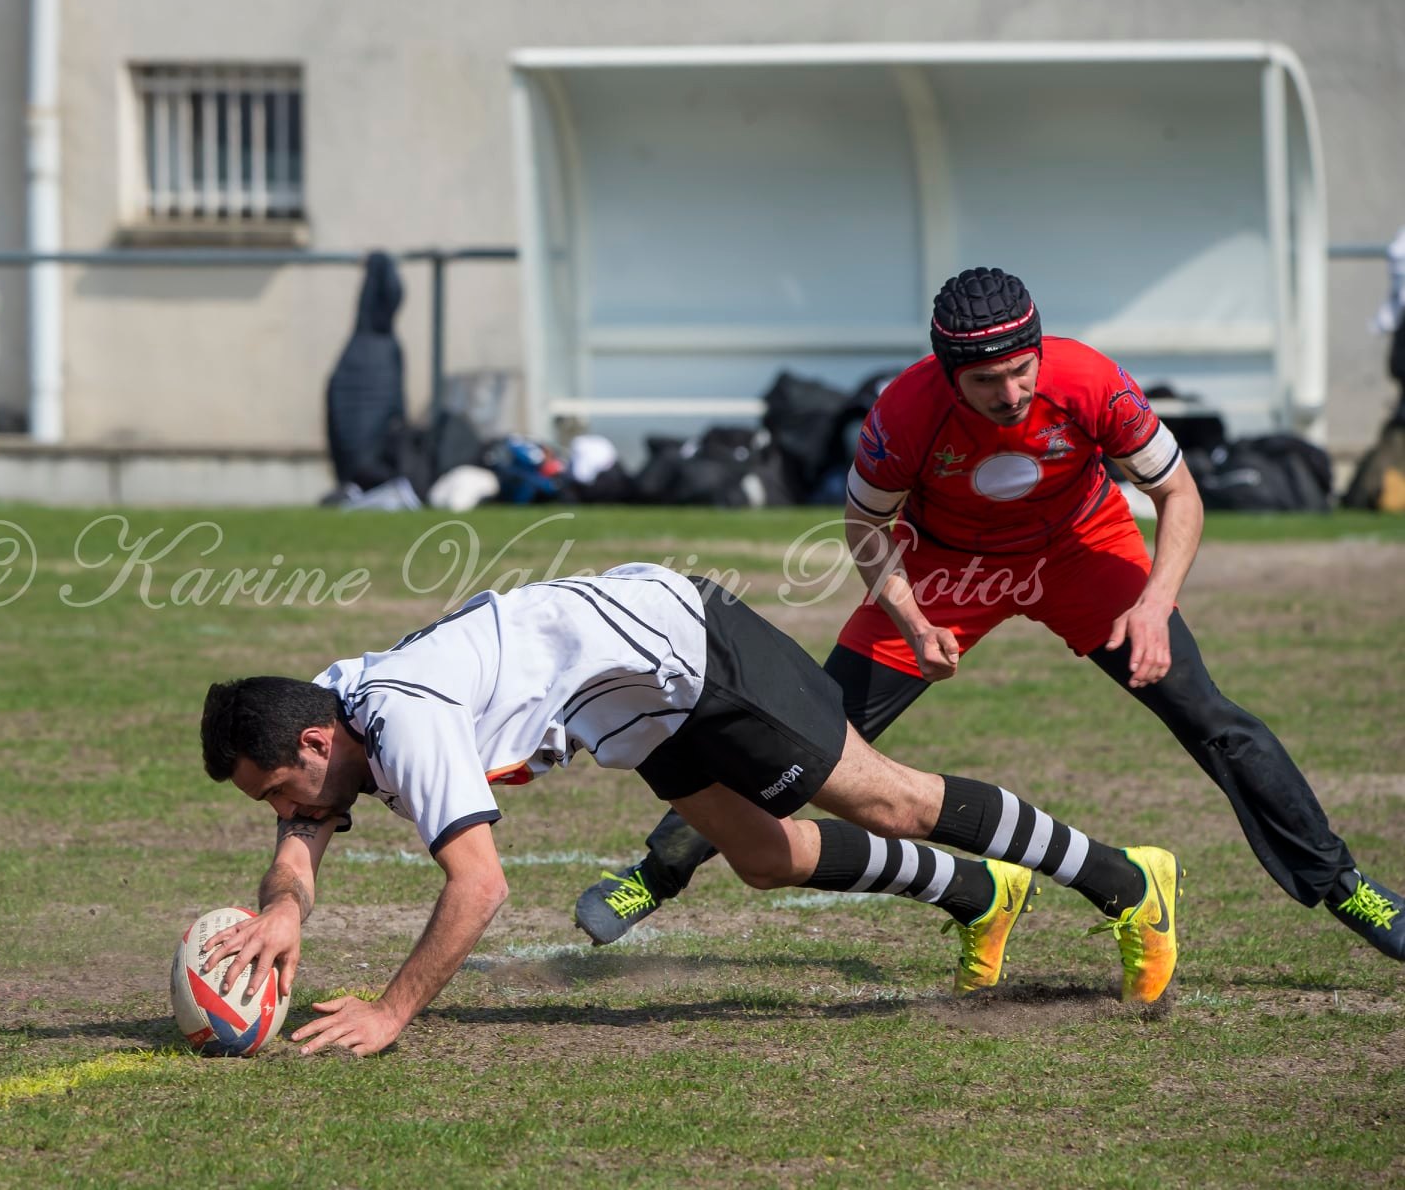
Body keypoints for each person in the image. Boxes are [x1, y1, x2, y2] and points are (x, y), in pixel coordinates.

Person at [575, 267, 1405, 963]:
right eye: (987, 380)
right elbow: (864, 523)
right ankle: (661, 867)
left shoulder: (1088, 379)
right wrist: (908, 619)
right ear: (947, 371)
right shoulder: (904, 412)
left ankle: (1347, 888)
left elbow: (1175, 492)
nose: (1011, 393)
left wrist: (1156, 604)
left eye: (1022, 371)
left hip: (1084, 550)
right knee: (806, 727)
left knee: (1212, 717)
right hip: (948, 567)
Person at [198, 563, 1185, 1058]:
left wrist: (391, 1011)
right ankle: (980, 895)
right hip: (629, 701)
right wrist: (284, 906)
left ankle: (1128, 881)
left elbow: (480, 887)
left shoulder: (401, 722)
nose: (287, 810)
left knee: (889, 798)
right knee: (764, 858)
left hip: (690, 653)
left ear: (318, 745)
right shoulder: (328, 699)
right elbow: (303, 830)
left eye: (280, 786)